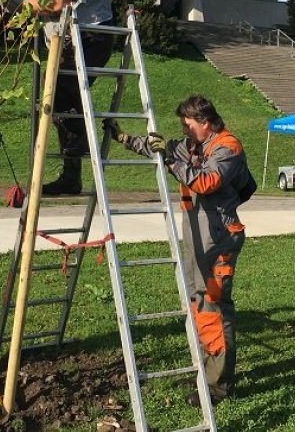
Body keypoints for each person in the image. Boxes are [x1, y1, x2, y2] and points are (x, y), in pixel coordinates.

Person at [104, 95, 255, 406]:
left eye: (188, 125)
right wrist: (122, 137)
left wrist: (172, 161)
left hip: (219, 237)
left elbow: (206, 181)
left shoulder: (228, 147)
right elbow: (158, 147)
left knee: (214, 304)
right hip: (197, 234)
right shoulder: (193, 145)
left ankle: (219, 384)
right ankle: (208, 369)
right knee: (199, 303)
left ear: (205, 122)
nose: (184, 131)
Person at [22, 0, 115, 196]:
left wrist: (17, 3)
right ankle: (71, 174)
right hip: (77, 39)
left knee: (60, 91)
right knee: (61, 96)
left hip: (92, 37)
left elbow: (56, 3)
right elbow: (48, 3)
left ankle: (77, 146)